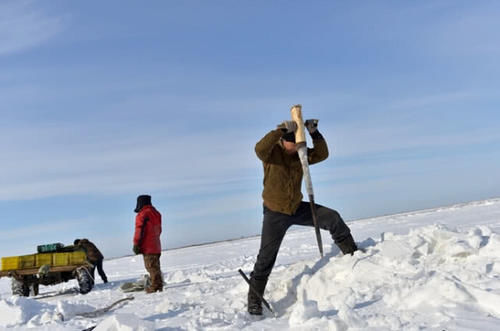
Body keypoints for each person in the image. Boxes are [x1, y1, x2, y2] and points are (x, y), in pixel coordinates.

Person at [247, 117, 358, 315]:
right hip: (275, 213)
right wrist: (280, 130)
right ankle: (254, 301)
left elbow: (322, 154)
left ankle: (353, 255)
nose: (297, 147)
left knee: (332, 217)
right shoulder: (272, 154)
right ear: (284, 141)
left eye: (300, 144)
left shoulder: (300, 155)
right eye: (294, 143)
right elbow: (259, 149)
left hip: (297, 208)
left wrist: (314, 133)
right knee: (265, 258)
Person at [132, 194, 163, 293]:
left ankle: (155, 287)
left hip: (148, 247)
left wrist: (136, 244)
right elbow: (159, 229)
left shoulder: (142, 214)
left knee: (151, 267)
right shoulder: (156, 213)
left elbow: (139, 230)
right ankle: (158, 285)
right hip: (156, 245)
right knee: (155, 266)